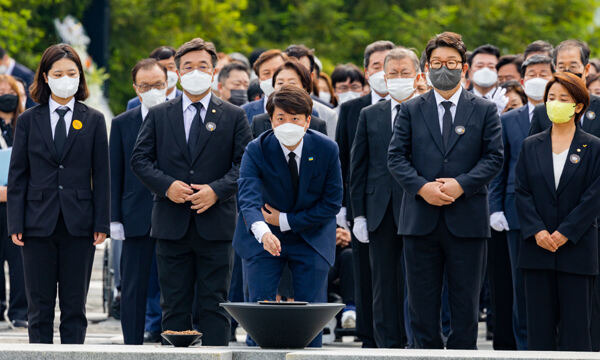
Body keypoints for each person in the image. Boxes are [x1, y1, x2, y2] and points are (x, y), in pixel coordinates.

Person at [131, 38, 252, 346]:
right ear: (177, 73)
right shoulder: (160, 114)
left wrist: (216, 190)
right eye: (188, 66)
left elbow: (245, 165)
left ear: (213, 71)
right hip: (171, 223)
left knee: (214, 303)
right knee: (173, 303)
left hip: (216, 224)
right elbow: (140, 159)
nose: (195, 71)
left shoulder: (234, 115)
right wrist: (166, 185)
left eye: (202, 66)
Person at [387, 32, 503, 349]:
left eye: (451, 62)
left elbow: (494, 157)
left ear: (463, 67)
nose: (444, 68)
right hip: (420, 219)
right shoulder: (411, 109)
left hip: (467, 219)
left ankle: (463, 354)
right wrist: (422, 188)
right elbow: (395, 157)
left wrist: (460, 184)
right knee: (421, 304)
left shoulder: (484, 109)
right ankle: (425, 354)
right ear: (426, 67)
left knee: (465, 304)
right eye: (437, 62)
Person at [7, 43, 109, 343]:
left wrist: (101, 223)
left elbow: (101, 175)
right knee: (38, 307)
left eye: (72, 73)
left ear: (80, 77)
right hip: (37, 222)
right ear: (46, 77)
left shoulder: (92, 119)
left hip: (79, 223)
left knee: (74, 307)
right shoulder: (28, 120)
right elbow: (18, 175)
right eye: (58, 73)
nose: (66, 78)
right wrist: (16, 223)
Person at [233, 85, 343, 347]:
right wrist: (263, 231)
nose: (288, 124)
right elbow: (247, 198)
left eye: (295, 118)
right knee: (259, 312)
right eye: (281, 118)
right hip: (263, 237)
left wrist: (284, 221)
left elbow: (332, 202)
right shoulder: (256, 149)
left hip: (311, 234)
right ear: (271, 119)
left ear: (307, 120)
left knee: (311, 317)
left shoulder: (327, 149)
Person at [515, 72, 600, 351]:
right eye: (551, 97)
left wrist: (566, 232)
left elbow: (593, 197)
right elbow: (522, 191)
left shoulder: (594, 146)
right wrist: (537, 230)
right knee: (538, 331)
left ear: (578, 106)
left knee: (577, 331)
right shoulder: (531, 145)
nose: (555, 103)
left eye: (563, 98)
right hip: (537, 249)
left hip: (577, 248)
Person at [350, 47, 420, 348]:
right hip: (379, 208)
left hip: (418, 206)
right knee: (383, 282)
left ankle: (414, 340)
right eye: (393, 74)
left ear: (417, 76)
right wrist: (359, 214)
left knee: (417, 279)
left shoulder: (426, 109)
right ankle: (385, 343)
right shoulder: (370, 114)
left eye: (405, 73)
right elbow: (358, 166)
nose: (399, 78)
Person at [489, 54, 555, 350]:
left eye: (545, 72)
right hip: (516, 211)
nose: (538, 78)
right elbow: (499, 168)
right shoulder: (507, 119)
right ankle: (525, 347)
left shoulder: (564, 115)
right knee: (522, 284)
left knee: (553, 283)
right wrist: (495, 207)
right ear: (523, 80)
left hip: (556, 210)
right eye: (533, 73)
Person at [335, 40, 395, 349]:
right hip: (364, 205)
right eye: (376, 65)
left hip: (403, 204)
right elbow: (345, 161)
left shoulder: (414, 104)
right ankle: (370, 337)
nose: (383, 71)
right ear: (367, 69)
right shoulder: (351, 109)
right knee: (367, 273)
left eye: (389, 65)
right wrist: (346, 208)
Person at [111, 58, 168, 345]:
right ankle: (131, 342)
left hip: (174, 214)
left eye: (158, 84)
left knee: (173, 284)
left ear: (168, 83)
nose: (152, 90)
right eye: (145, 85)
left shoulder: (178, 117)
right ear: (136, 88)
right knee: (133, 286)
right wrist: (114, 218)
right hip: (135, 215)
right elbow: (115, 171)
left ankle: (172, 337)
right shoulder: (122, 123)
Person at [0, 74, 27, 329]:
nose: (5, 93)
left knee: (20, 260)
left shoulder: (27, 124)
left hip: (19, 202)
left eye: (10, 89)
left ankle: (21, 311)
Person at [250, 59, 326, 138]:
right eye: (280, 83)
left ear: (305, 88)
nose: (285, 87)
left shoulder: (317, 125)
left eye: (292, 83)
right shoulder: (259, 122)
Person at [284, 45, 338, 138]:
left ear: (311, 76)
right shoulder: (264, 113)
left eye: (303, 70)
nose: (295, 76)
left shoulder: (327, 115)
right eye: (290, 69)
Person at [241, 50, 287, 124]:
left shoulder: (306, 109)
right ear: (259, 79)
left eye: (277, 71)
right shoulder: (244, 112)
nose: (272, 77)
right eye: (266, 73)